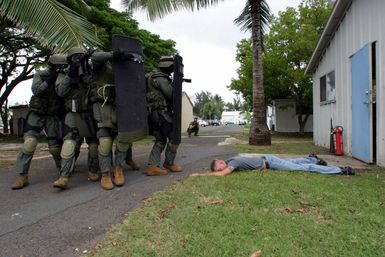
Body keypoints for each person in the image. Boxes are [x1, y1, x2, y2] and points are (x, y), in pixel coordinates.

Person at [11, 54, 66, 189]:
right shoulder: (40, 75)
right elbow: (36, 90)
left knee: (55, 147)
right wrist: (49, 80)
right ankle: (22, 175)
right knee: (29, 143)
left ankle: (63, 171)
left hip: (52, 116)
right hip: (37, 114)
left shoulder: (63, 77)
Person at [145, 57, 182, 176]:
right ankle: (169, 162)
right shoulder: (161, 78)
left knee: (160, 140)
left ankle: (152, 166)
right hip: (162, 114)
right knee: (174, 137)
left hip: (152, 114)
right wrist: (176, 85)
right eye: (171, 68)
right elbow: (171, 95)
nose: (172, 71)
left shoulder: (150, 77)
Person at [191, 154, 355, 177]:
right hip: (266, 159)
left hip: (269, 162)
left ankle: (340, 170)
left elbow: (223, 175)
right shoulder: (233, 158)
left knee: (300, 167)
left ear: (220, 163)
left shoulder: (232, 162)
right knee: (293, 162)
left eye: (218, 167)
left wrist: (201, 175)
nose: (220, 170)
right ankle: (313, 159)